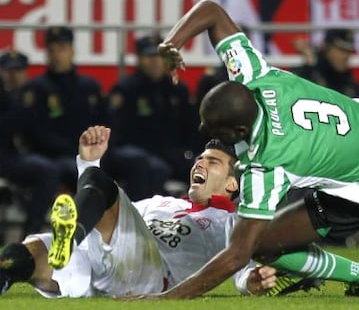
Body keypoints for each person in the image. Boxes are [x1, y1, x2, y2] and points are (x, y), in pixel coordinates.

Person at [129, 0, 359, 299]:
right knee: (274, 231)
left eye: (214, 129)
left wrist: (165, 299)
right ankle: (341, 271)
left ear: (239, 132)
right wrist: (172, 43)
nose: (204, 132)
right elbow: (212, 10)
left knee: (262, 244)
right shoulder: (253, 75)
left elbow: (238, 254)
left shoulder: (266, 164)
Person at [0, 126, 278, 297]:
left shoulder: (231, 222)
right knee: (27, 251)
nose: (199, 165)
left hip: (153, 275)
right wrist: (87, 162)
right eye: (199, 160)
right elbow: (104, 218)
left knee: (100, 183)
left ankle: (69, 240)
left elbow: (240, 263)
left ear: (233, 183)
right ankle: (11, 275)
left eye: (212, 162)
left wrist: (250, 281)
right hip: (107, 267)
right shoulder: (160, 202)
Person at [105, 34, 199, 199]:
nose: (155, 61)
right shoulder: (127, 89)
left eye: (159, 56)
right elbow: (116, 131)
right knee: (148, 166)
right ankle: (143, 217)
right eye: (149, 56)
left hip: (171, 153)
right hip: (136, 152)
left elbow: (191, 127)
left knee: (203, 165)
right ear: (139, 59)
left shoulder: (177, 89)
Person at [19, 26, 106, 194]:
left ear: (72, 51)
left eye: (62, 49)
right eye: (52, 51)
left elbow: (104, 122)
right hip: (49, 156)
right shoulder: (35, 89)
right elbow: (33, 129)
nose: (57, 56)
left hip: (86, 155)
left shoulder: (89, 87)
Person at [0, 50, 60, 236]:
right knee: (45, 169)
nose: (13, 75)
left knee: (49, 170)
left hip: (26, 156)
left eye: (18, 70)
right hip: (6, 156)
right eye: (8, 71)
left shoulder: (37, 94)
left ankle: (31, 232)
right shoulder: (5, 98)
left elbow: (45, 131)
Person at [293, 28, 359, 97]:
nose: (345, 56)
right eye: (341, 50)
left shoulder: (348, 81)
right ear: (327, 47)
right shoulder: (307, 73)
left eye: (348, 52)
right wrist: (309, 67)